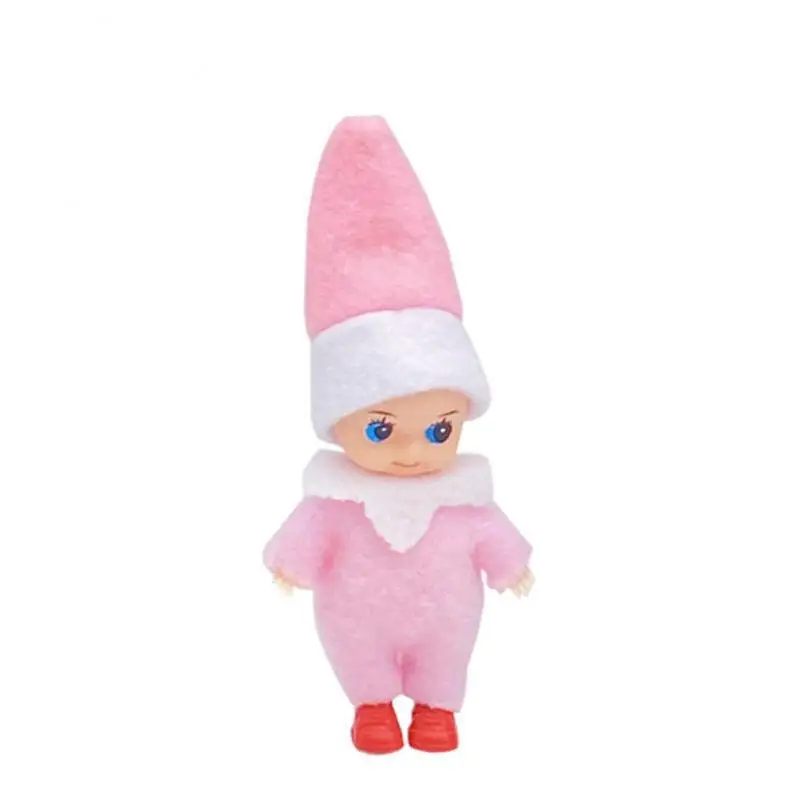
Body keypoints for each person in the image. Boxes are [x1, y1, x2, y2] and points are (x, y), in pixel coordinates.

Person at [263, 116, 533, 754]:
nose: (413, 451)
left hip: (447, 615)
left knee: (448, 647)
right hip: (356, 617)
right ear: (339, 422)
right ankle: (372, 706)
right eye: (381, 430)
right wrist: (290, 563)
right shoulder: (336, 500)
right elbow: (306, 536)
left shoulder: (465, 498)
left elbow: (491, 534)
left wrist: (511, 564)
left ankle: (439, 709)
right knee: (358, 647)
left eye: (439, 429)